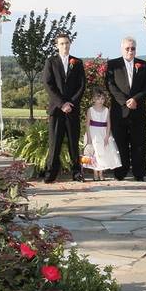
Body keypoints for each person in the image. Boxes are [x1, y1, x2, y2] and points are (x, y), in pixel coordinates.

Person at [105, 37, 146, 181]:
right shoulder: (113, 64)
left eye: (133, 48)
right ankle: (121, 172)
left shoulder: (143, 65)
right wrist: (125, 102)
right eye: (127, 48)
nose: (130, 51)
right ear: (122, 49)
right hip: (119, 111)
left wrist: (135, 99)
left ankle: (139, 173)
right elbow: (110, 86)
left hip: (138, 110)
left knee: (139, 143)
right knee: (120, 142)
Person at [42, 33, 86, 182]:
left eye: (67, 43)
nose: (64, 46)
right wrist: (62, 104)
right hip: (57, 109)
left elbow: (81, 85)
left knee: (74, 143)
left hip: (72, 109)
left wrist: (71, 103)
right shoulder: (51, 62)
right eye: (61, 43)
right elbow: (48, 84)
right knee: (55, 143)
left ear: (70, 44)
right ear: (57, 46)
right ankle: (51, 173)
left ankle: (76, 172)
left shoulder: (78, 63)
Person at [84, 89, 121, 181]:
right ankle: (95, 173)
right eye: (98, 99)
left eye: (102, 99)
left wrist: (107, 135)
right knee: (95, 153)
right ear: (93, 99)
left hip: (103, 133)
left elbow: (108, 123)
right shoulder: (90, 110)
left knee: (102, 153)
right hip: (93, 133)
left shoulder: (106, 110)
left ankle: (101, 173)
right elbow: (87, 124)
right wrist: (89, 138)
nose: (100, 101)